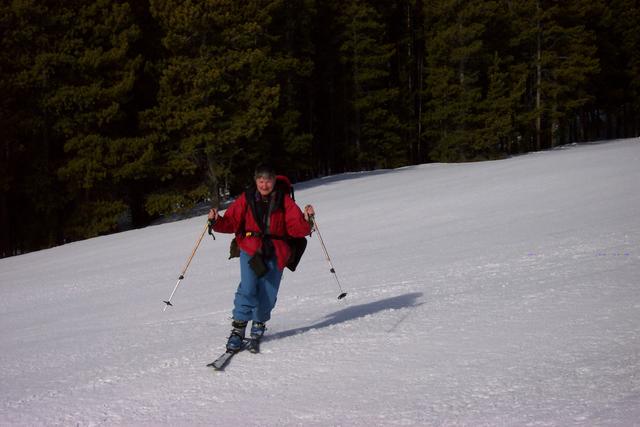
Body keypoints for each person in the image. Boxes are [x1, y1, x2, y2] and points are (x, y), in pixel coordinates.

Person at [208, 163, 315, 352]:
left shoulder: (285, 201)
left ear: (274, 180)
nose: (264, 185)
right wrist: (216, 220)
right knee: (248, 288)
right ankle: (238, 329)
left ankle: (259, 322)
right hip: (251, 249)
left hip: (277, 251)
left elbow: (296, 228)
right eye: (261, 180)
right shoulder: (246, 199)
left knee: (268, 292)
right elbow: (231, 222)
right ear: (256, 181)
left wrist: (307, 220)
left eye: (268, 181)